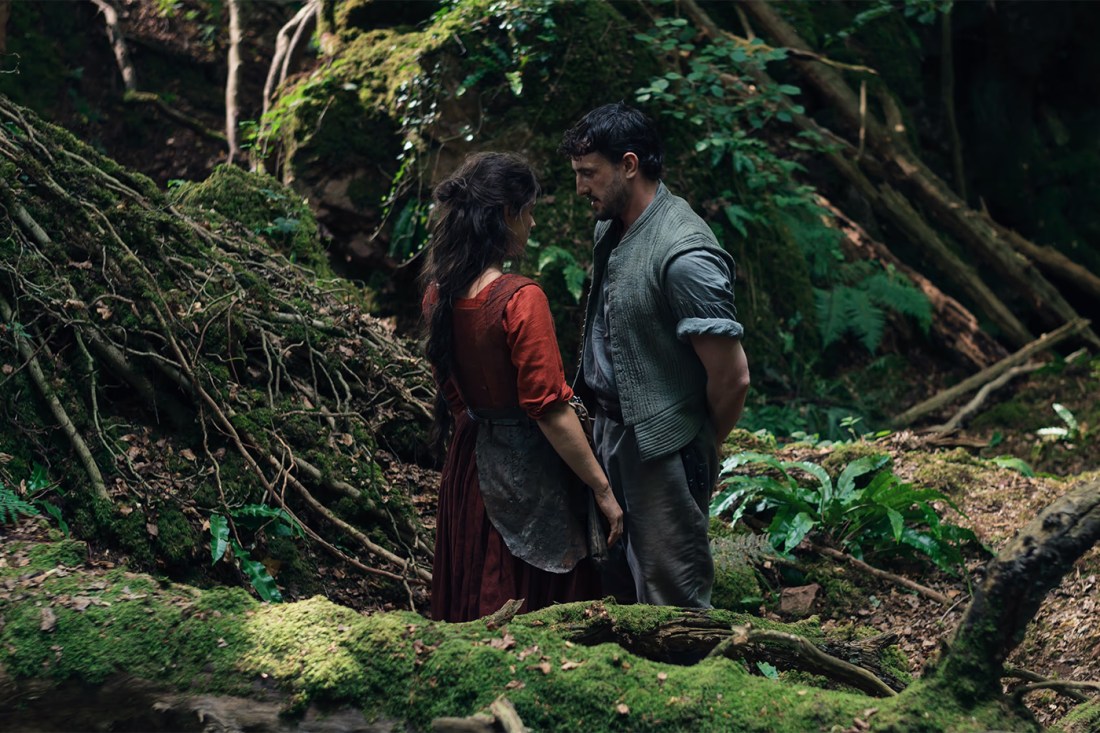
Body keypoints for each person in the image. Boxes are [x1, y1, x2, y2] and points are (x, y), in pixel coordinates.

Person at [559, 102, 750, 608]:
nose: (580, 188)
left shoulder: (685, 255)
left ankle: (692, 685)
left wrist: (695, 443)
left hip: (663, 449)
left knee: (674, 596)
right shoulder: (611, 226)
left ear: (628, 164)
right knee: (617, 583)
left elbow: (733, 378)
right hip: (609, 434)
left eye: (588, 174)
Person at [420, 151, 623, 623]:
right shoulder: (520, 299)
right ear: (507, 215)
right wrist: (601, 489)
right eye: (528, 212)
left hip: (470, 465)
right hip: (526, 470)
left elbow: (452, 392)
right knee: (523, 599)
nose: (531, 224)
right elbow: (548, 409)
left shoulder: (440, 291)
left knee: (474, 578)